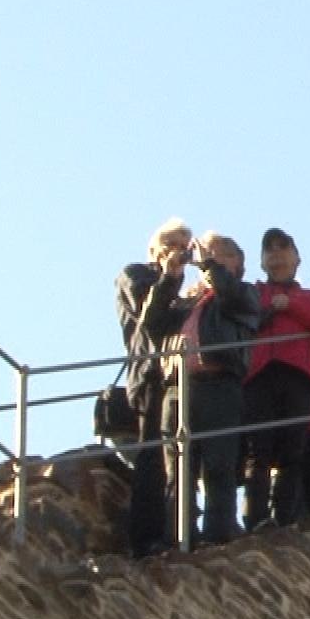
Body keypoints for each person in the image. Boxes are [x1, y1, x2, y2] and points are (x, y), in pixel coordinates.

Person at [142, 231, 261, 547]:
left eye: (221, 253)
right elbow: (151, 323)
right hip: (178, 387)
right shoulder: (186, 299)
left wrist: (207, 263)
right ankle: (177, 537)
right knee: (177, 469)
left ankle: (217, 535)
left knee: (218, 465)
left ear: (237, 264)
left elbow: (232, 294)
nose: (210, 256)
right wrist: (170, 277)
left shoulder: (245, 294)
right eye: (209, 252)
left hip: (219, 383)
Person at [243, 228, 310, 530]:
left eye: (283, 247)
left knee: (293, 450)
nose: (276, 254)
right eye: (269, 249)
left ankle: (283, 519)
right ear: (262, 262)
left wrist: (290, 305)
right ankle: (256, 520)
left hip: (299, 378)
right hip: (259, 376)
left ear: (297, 258)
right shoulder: (252, 293)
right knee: (257, 451)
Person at [117, 218, 192, 557]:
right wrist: (170, 275)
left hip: (178, 378)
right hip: (150, 376)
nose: (176, 250)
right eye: (170, 243)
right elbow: (149, 313)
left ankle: (176, 530)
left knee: (178, 456)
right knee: (152, 457)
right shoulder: (134, 274)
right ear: (153, 249)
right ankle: (145, 538)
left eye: (182, 245)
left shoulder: (177, 289)